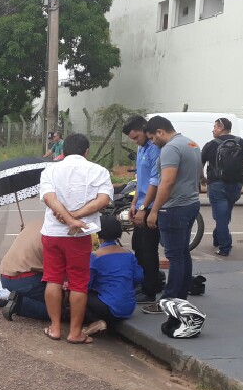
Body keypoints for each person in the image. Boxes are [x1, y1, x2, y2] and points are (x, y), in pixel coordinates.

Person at [38, 133, 114, 343]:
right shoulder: (98, 171)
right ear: (86, 151)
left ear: (62, 151)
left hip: (52, 233)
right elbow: (104, 199)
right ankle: (74, 333)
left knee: (52, 278)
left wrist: (67, 217)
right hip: (80, 235)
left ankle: (54, 328)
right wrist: (76, 218)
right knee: (78, 283)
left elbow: (48, 198)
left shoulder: (50, 170)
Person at [142, 116, 202, 309]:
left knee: (175, 256)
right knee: (183, 253)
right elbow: (199, 175)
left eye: (152, 138)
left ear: (160, 132)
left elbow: (166, 182)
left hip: (174, 208)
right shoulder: (191, 143)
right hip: (191, 203)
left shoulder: (170, 148)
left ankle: (169, 300)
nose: (152, 142)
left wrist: (154, 211)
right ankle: (181, 296)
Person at [199, 117, 243, 257]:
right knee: (224, 214)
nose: (213, 130)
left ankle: (225, 247)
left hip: (217, 183)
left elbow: (199, 163)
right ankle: (217, 238)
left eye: (215, 127)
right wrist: (238, 167)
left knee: (221, 217)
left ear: (221, 128)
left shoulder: (211, 144)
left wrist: (202, 178)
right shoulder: (240, 142)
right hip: (235, 183)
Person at [122, 115, 162, 303]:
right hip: (141, 204)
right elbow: (141, 179)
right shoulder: (141, 148)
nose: (136, 141)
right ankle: (142, 283)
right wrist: (134, 203)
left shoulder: (155, 149)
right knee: (138, 246)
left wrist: (144, 208)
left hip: (151, 206)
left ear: (145, 130)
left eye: (137, 137)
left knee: (148, 249)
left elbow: (155, 181)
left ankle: (150, 289)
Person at [83, 215, 144, 336]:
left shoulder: (95, 256)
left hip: (109, 307)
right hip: (129, 307)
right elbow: (138, 277)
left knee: (78, 294)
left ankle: (97, 321)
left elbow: (87, 284)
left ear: (98, 234)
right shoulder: (128, 254)